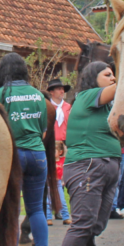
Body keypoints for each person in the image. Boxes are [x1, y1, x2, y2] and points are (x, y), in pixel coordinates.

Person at [53, 61, 122, 246]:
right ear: (94, 78)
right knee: (84, 221)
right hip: (88, 167)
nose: (113, 78)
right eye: (108, 75)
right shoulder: (85, 97)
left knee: (96, 223)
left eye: (114, 75)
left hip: (106, 167)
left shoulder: (107, 107)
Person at [0, 54, 59, 246]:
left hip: (14, 156)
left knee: (12, 211)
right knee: (36, 209)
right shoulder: (39, 96)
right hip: (38, 155)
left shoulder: (0, 95)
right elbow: (43, 132)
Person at [46, 79, 72, 224]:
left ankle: (62, 212)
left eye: (63, 89)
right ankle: (51, 213)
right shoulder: (48, 106)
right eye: (58, 89)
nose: (62, 91)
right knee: (51, 180)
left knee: (63, 178)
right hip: (51, 144)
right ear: (52, 92)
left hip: (65, 143)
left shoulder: (68, 107)